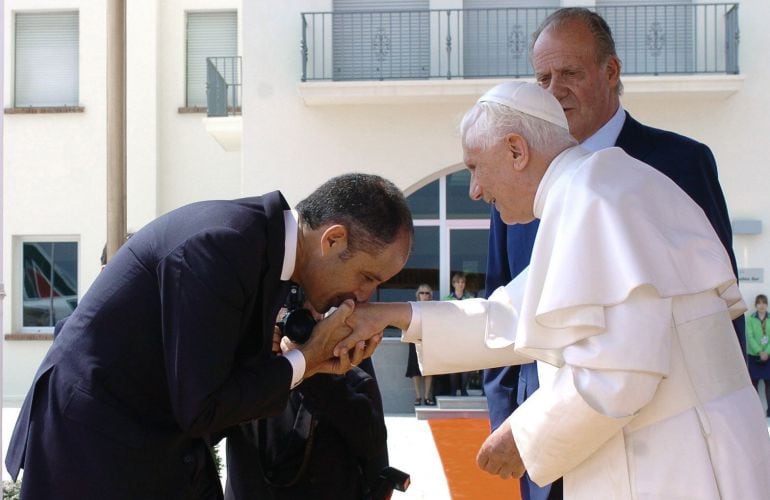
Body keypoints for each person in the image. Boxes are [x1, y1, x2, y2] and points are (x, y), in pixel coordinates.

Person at [339, 82, 770, 498]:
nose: (474, 190)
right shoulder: (595, 185)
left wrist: (525, 436)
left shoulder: (593, 196)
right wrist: (391, 315)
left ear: (516, 150)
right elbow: (509, 314)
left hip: (678, 459)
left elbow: (619, 372)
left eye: (474, 168)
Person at [5, 173, 413, 500]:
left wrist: (311, 361)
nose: (364, 296)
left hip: (154, 450)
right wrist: (306, 358)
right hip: (92, 455)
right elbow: (202, 406)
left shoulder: (261, 250)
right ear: (333, 240)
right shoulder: (220, 245)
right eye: (366, 277)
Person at [481, 8, 743, 499]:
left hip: (659, 453)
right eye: (542, 78)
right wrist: (515, 426)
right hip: (543, 458)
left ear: (611, 72)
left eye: (570, 73)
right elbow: (505, 304)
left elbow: (712, 314)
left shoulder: (680, 163)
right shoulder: (515, 181)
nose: (554, 90)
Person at [444, 273, 473, 396]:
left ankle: (463, 389)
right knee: (453, 364)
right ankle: (453, 389)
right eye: (458, 282)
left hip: (466, 335)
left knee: (466, 364)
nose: (460, 284)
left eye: (462, 282)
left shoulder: (470, 299)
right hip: (452, 336)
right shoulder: (447, 299)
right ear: (453, 284)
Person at [406, 284, 435, 406]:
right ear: (418, 294)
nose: (424, 295)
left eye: (427, 293)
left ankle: (427, 396)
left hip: (429, 340)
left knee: (429, 368)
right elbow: (407, 322)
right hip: (415, 340)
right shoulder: (413, 306)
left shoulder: (434, 307)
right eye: (422, 293)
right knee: (415, 369)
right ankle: (418, 397)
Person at [747, 294, 770, 416]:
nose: (761, 305)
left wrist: (767, 351)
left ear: (767, 304)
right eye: (759, 303)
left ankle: (769, 411)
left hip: (768, 356)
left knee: (769, 384)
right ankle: (755, 411)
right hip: (754, 355)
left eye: (764, 302)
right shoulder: (750, 319)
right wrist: (759, 351)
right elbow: (750, 337)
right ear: (756, 305)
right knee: (753, 384)